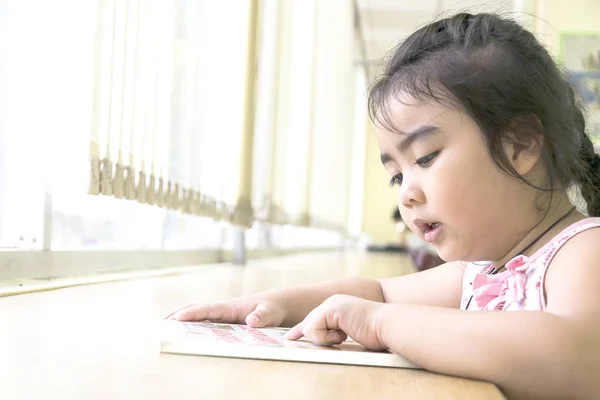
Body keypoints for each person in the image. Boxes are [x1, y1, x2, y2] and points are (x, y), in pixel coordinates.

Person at [167, 13, 600, 400]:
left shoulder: (583, 249)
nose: (405, 194)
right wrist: (274, 304)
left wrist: (382, 324)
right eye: (396, 175)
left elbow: (577, 353)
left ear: (519, 144)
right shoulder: (484, 271)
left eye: (425, 158)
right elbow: (378, 292)